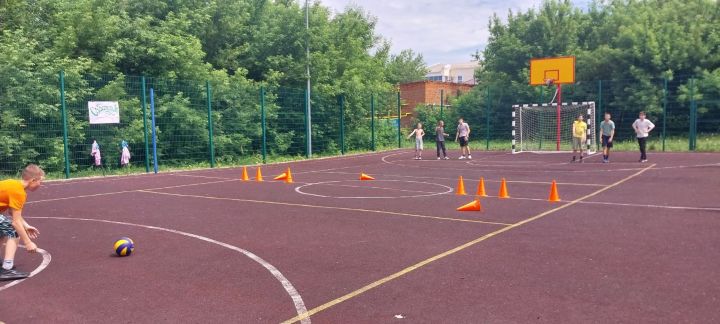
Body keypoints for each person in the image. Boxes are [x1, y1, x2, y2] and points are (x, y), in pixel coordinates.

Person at [0, 164, 43, 280]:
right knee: (13, 232)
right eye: (40, 181)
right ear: (33, 180)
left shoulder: (13, 184)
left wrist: (26, 225)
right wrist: (28, 243)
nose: (41, 184)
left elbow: (11, 212)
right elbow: (15, 222)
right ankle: (6, 269)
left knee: (3, 232)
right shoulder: (19, 192)